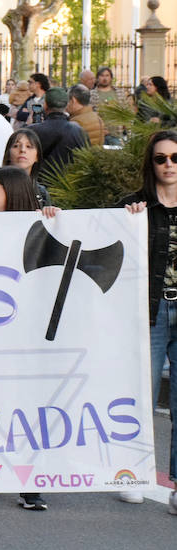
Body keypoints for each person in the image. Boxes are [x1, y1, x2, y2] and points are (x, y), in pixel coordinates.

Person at [0, 164, 59, 511]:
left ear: (12, 193)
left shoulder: (42, 230)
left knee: (27, 405)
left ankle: (30, 482)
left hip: (27, 336)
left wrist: (57, 221)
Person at [119, 129, 177, 513]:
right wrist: (127, 222)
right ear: (150, 163)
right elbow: (105, 243)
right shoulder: (135, 204)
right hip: (151, 309)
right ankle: (132, 471)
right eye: (161, 159)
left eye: (175, 158)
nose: (169, 165)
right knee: (140, 394)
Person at [32, 87, 89, 173]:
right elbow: (86, 160)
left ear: (45, 105)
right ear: (66, 105)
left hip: (40, 182)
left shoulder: (32, 131)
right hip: (68, 183)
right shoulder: (79, 131)